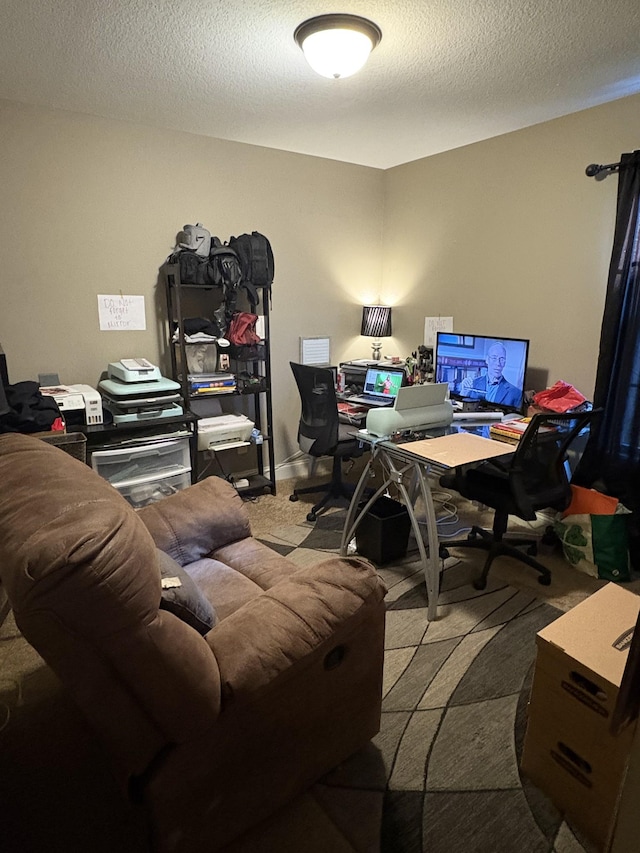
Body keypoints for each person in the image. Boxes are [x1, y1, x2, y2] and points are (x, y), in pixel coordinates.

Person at [460, 341, 521, 408]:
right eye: (494, 358)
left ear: (505, 362)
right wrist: (463, 393)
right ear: (487, 360)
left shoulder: (516, 393)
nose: (498, 363)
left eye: (502, 359)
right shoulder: (473, 384)